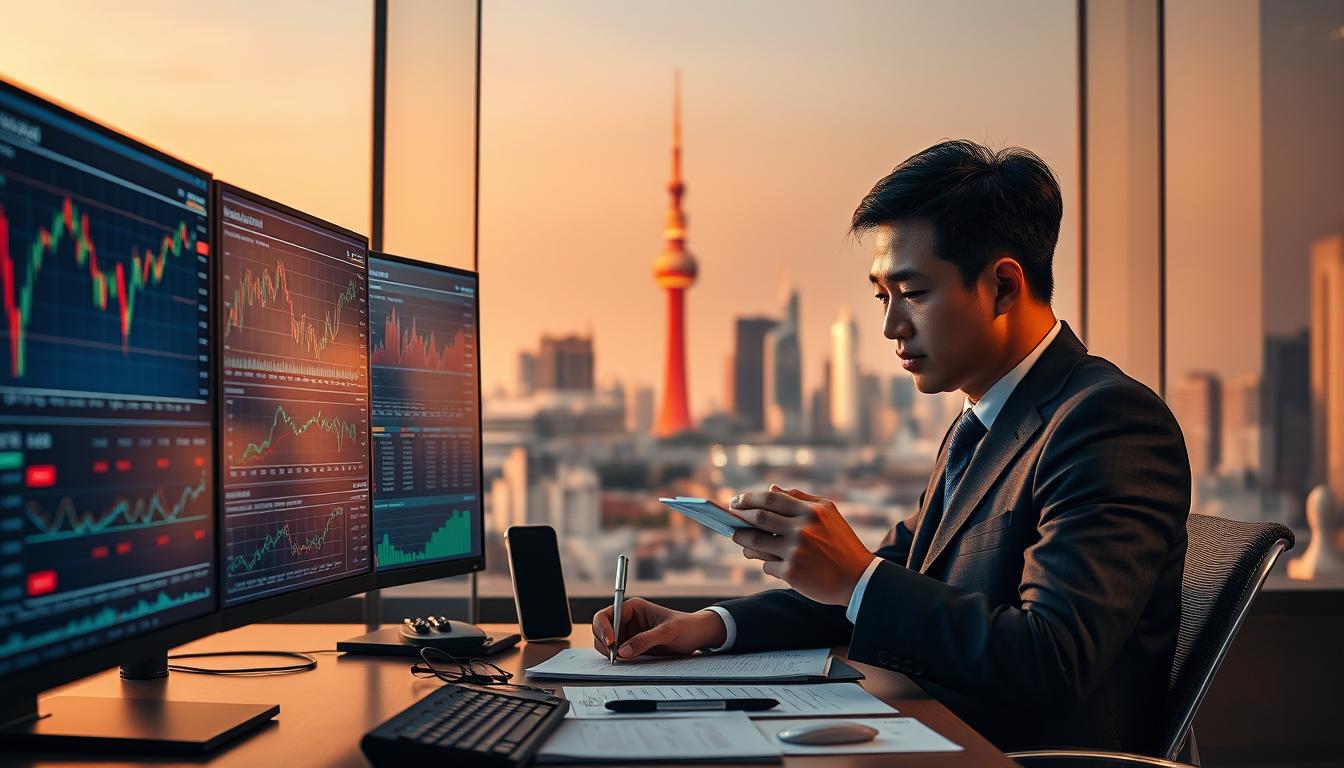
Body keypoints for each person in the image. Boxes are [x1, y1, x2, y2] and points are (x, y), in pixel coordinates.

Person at [591, 140, 1191, 755]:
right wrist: (709, 627)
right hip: (935, 737)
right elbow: (884, 586)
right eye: (883, 296)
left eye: (914, 293)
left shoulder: (1107, 421)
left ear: (1004, 287)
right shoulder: (979, 423)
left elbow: (1052, 658)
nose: (890, 327)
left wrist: (856, 574)